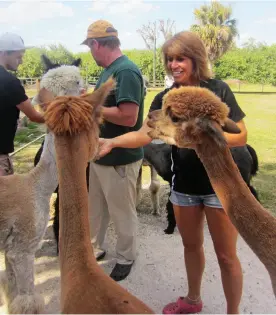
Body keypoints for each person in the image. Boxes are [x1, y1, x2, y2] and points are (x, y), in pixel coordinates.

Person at [97, 31, 247, 314]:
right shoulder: (165, 97)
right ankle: (193, 300)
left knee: (227, 257)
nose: (174, 64)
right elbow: (143, 134)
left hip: (220, 187)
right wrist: (112, 141)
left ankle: (233, 312)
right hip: (185, 187)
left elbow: (240, 135)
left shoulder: (218, 89)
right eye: (169, 59)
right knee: (191, 246)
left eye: (181, 58)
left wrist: (203, 137)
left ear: (195, 59)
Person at [81, 20, 145, 281]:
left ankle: (126, 257)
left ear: (96, 44)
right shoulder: (108, 71)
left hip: (120, 157)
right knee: (95, 208)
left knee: (122, 211)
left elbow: (129, 117)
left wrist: (91, 107)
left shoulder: (125, 72)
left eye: (90, 47)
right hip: (100, 154)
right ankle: (94, 249)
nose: (90, 53)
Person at [0, 32, 45, 176]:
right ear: (5, 53)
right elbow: (35, 116)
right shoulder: (9, 82)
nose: (21, 61)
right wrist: (62, 116)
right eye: (18, 57)